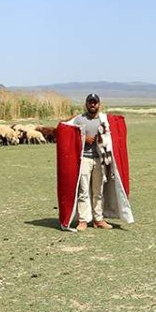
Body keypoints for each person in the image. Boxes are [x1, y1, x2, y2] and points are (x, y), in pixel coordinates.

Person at [69, 94, 113, 230]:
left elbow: (111, 136)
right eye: (90, 102)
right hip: (84, 158)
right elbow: (69, 134)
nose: (92, 105)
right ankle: (83, 220)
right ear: (86, 104)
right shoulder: (79, 119)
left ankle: (98, 219)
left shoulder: (104, 119)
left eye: (95, 102)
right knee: (83, 190)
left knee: (98, 191)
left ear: (99, 104)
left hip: (100, 159)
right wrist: (83, 138)